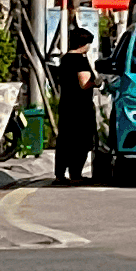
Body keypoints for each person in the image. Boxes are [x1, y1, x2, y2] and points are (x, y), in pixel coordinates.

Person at [52, 29, 101, 187]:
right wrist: (98, 83)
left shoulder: (65, 59)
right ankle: (75, 174)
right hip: (80, 107)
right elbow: (84, 83)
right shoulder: (80, 60)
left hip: (66, 104)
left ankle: (60, 174)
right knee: (81, 140)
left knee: (65, 139)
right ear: (83, 44)